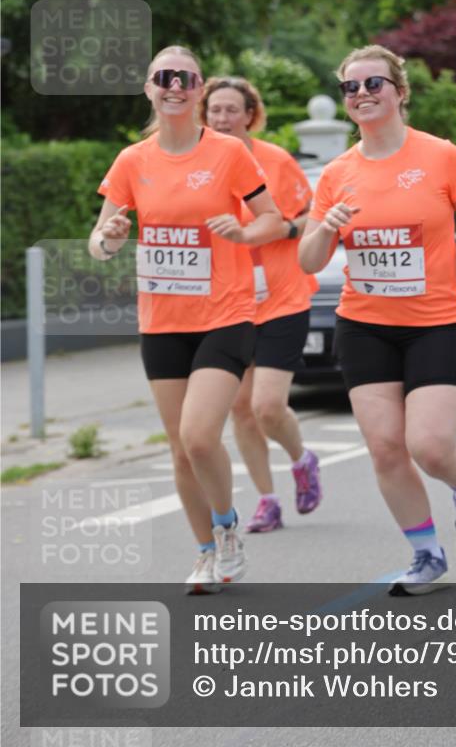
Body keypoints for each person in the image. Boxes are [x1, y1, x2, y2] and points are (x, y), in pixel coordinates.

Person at [299, 44, 456, 594]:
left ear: (400, 92)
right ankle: (426, 555)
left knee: (430, 447)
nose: (361, 94)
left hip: (438, 318)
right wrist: (323, 227)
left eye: (373, 84)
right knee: (386, 446)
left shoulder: (440, 155)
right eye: (351, 88)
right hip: (365, 324)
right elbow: (308, 262)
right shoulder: (337, 173)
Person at [89, 46, 283, 593]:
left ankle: (226, 531)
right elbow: (100, 240)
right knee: (178, 447)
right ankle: (204, 552)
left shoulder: (228, 153)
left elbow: (273, 220)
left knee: (200, 437)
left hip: (225, 313)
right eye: (163, 77)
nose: (174, 85)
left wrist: (244, 233)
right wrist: (108, 240)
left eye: (185, 77)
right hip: (162, 319)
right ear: (149, 88)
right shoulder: (132, 160)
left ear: (199, 90)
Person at [203, 77, 322, 532]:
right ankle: (267, 500)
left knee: (268, 406)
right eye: (215, 110)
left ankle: (302, 459)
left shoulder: (275, 160)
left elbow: (314, 215)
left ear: (250, 114)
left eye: (232, 110)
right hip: (228, 301)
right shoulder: (200, 166)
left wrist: (287, 230)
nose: (222, 119)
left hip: (281, 295)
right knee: (239, 408)